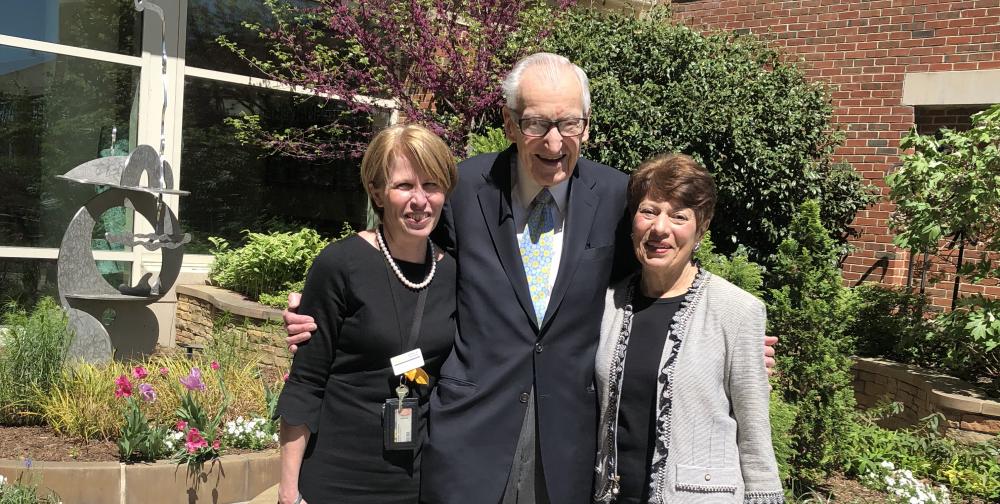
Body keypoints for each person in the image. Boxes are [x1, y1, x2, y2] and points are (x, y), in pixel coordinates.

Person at [282, 52, 778, 504]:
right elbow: (407, 247)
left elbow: (654, 278)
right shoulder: (464, 187)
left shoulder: (613, 196)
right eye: (537, 122)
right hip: (468, 435)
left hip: (568, 445)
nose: (554, 141)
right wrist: (328, 303)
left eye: (568, 123)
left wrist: (721, 338)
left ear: (585, 125)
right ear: (510, 122)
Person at [274, 123, 459, 504]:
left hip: (418, 480)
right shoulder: (341, 264)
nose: (420, 201)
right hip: (338, 477)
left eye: (432, 186)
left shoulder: (453, 272)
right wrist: (288, 492)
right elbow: (306, 383)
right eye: (404, 185)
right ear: (377, 191)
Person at [592, 153, 783, 504]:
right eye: (649, 211)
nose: (660, 228)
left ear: (701, 227)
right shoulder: (607, 305)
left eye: (679, 216)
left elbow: (754, 435)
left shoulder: (737, 312)